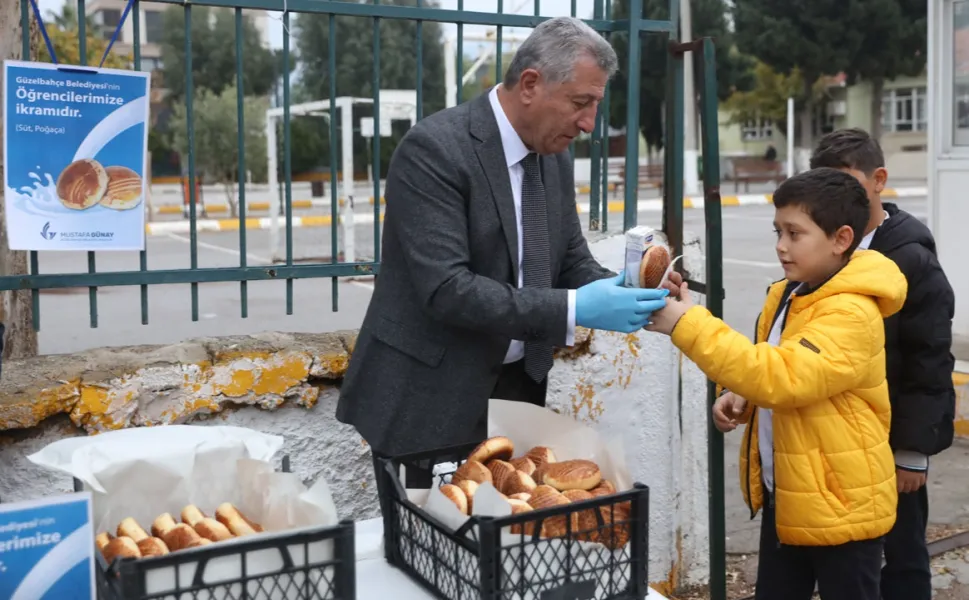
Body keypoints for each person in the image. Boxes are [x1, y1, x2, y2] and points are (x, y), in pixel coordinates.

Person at [336, 17, 669, 481]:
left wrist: (622, 289)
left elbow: (569, 256)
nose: (589, 124)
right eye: (580, 103)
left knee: (505, 545)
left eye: (595, 104)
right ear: (530, 84)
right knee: (433, 545)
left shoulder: (553, 153)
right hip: (428, 400)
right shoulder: (434, 150)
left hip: (515, 395)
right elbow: (447, 289)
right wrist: (577, 307)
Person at [648, 168, 907, 600]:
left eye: (794, 233)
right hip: (788, 494)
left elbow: (781, 377)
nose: (781, 246)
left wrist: (686, 324)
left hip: (842, 508)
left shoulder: (851, 313)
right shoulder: (792, 292)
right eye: (777, 231)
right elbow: (782, 369)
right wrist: (743, 396)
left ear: (841, 239)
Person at [809, 128, 956, 600]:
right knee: (854, 560)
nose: (837, 198)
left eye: (848, 184)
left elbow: (928, 359)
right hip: (842, 440)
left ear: (879, 180)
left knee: (903, 554)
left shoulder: (909, 255)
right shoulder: (825, 247)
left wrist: (912, 452)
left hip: (893, 444)